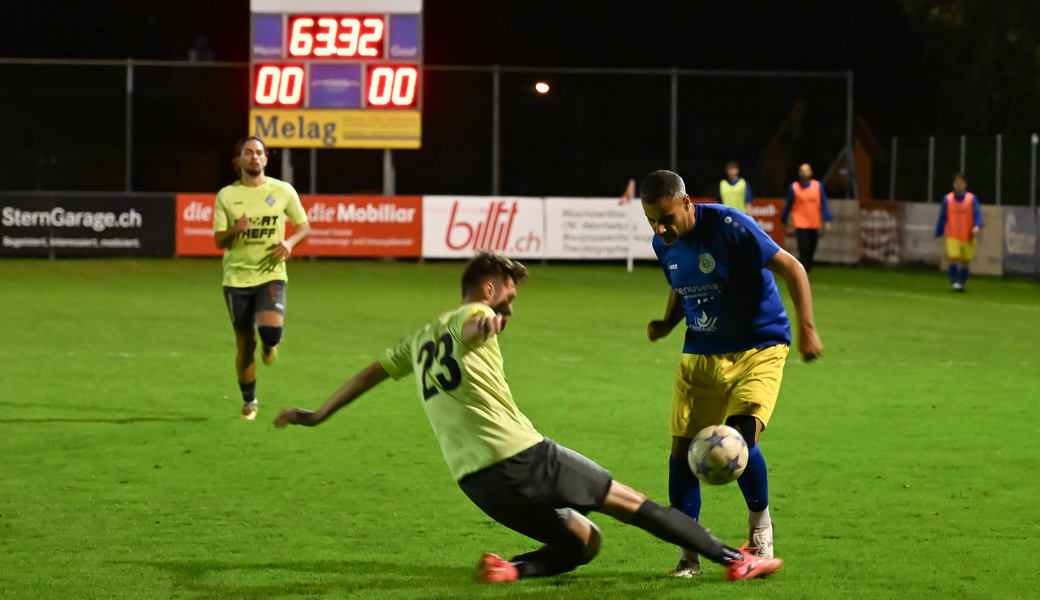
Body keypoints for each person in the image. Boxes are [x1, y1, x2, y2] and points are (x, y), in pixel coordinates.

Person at [273, 252, 783, 583]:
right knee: (632, 504)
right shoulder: (475, 317)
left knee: (585, 542)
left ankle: (511, 572)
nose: (511, 309)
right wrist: (488, 322)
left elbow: (368, 374)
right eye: (509, 298)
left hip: (476, 482)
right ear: (489, 289)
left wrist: (318, 414)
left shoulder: (420, 337)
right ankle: (737, 560)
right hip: (523, 456)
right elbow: (477, 326)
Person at [639, 169, 822, 578]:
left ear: (687, 202)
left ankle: (760, 535)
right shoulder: (662, 241)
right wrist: (668, 323)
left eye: (666, 217)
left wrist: (808, 329)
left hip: (760, 344)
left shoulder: (730, 224)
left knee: (738, 440)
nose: (660, 227)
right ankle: (689, 555)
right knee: (683, 453)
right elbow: (679, 279)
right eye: (652, 220)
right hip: (701, 351)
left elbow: (793, 268)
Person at [213, 136, 310, 420]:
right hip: (236, 279)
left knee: (269, 333)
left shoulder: (282, 191)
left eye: (259, 153)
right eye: (248, 152)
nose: (254, 157)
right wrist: (235, 229)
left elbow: (304, 226)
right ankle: (249, 401)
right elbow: (219, 241)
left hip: (271, 273)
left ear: (266, 159)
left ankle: (271, 344)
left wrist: (290, 244)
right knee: (245, 345)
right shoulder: (227, 196)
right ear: (238, 161)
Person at [780, 163, 833, 273]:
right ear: (799, 173)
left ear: (811, 172)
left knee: (811, 249)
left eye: (807, 170)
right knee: (803, 248)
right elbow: (788, 205)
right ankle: (804, 272)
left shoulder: (817, 186)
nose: (805, 173)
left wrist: (827, 219)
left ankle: (807, 268)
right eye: (802, 170)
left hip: (813, 223)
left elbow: (823, 203)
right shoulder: (794, 187)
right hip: (800, 223)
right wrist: (783, 220)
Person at [934, 172, 983, 292]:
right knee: (953, 258)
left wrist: (977, 226)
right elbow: (943, 217)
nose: (959, 185)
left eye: (961, 182)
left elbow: (977, 214)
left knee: (965, 262)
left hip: (967, 235)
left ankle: (962, 283)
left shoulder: (972, 199)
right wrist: (939, 234)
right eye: (956, 182)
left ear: (965, 184)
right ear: (953, 184)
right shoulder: (948, 199)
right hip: (952, 234)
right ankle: (954, 283)